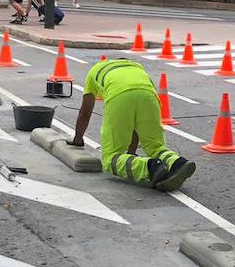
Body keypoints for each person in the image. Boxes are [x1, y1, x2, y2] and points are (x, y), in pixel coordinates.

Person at [71, 57, 196, 191]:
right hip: (150, 96)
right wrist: (131, 152)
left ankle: (149, 167)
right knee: (155, 146)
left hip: (119, 96)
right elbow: (135, 123)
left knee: (110, 158)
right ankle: (177, 163)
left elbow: (85, 112)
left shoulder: (94, 71)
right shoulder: (136, 66)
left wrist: (78, 139)